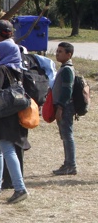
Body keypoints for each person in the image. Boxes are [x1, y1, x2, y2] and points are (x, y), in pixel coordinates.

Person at [0, 40, 29, 204]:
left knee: (7, 150)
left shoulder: (1, 69)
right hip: (12, 114)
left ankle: (20, 188)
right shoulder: (19, 70)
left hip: (1, 114)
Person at [52, 42, 77, 175]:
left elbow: (67, 90)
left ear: (69, 54)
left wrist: (60, 107)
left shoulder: (67, 69)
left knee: (67, 136)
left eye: (60, 51)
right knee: (65, 135)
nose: (57, 53)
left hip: (65, 107)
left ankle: (71, 165)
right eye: (57, 50)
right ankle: (67, 163)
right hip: (62, 106)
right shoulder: (64, 67)